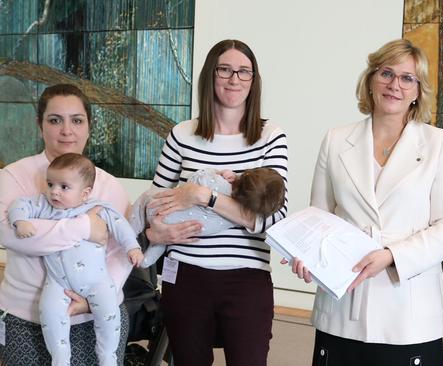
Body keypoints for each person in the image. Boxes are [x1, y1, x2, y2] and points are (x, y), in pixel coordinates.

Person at [290, 39, 443, 366]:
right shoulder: (335, 139)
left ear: (418, 90)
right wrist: (308, 256)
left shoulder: (440, 144)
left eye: (406, 78)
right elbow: (319, 217)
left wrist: (391, 256)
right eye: (386, 73)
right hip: (342, 308)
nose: (394, 85)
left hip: (407, 317)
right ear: (371, 79)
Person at [143, 39, 288, 366]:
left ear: (254, 80)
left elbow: (272, 218)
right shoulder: (182, 134)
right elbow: (153, 204)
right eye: (225, 69)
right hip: (185, 276)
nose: (234, 79)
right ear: (211, 74)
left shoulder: (270, 136)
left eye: (244, 72)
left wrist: (203, 196)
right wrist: (156, 234)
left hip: (246, 278)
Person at [0, 84, 135, 365]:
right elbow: (11, 235)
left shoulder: (109, 185)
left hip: (95, 317)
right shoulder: (13, 176)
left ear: (88, 126)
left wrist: (95, 300)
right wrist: (86, 227)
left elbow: (121, 252)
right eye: (54, 120)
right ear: (40, 125)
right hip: (26, 319)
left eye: (76, 120)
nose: (67, 130)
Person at [7, 153, 144, 366]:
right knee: (50, 314)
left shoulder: (98, 208)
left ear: (85, 193)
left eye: (64, 187)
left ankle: (108, 357)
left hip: (97, 281)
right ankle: (60, 359)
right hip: (58, 283)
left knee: (109, 315)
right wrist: (20, 221)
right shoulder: (44, 205)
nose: (54, 191)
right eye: (50, 183)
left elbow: (122, 228)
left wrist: (132, 248)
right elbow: (18, 205)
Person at [130, 167, 285, 268]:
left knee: (131, 226)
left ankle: (130, 243)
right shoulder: (233, 218)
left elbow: (197, 177)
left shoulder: (220, 184)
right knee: (142, 247)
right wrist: (151, 234)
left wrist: (209, 187)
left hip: (155, 209)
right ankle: (137, 254)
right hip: (176, 256)